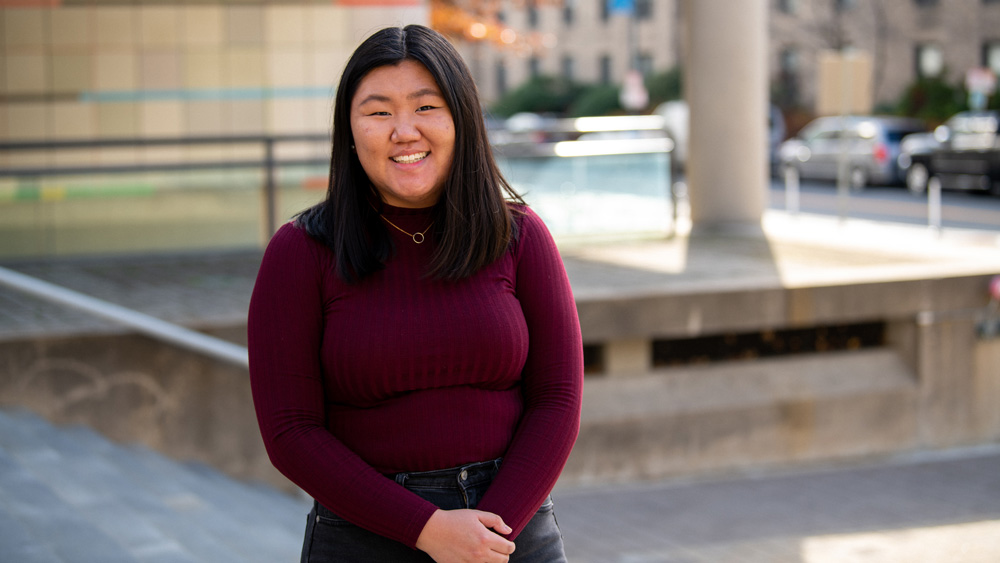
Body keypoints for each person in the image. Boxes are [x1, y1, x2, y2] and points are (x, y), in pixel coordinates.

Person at [247, 24, 584, 563]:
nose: (404, 130)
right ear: (350, 130)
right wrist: (428, 529)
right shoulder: (300, 252)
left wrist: (488, 538)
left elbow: (558, 399)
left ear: (461, 119)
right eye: (379, 112)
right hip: (364, 534)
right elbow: (291, 431)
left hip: (511, 531)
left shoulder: (520, 236)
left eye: (426, 106)